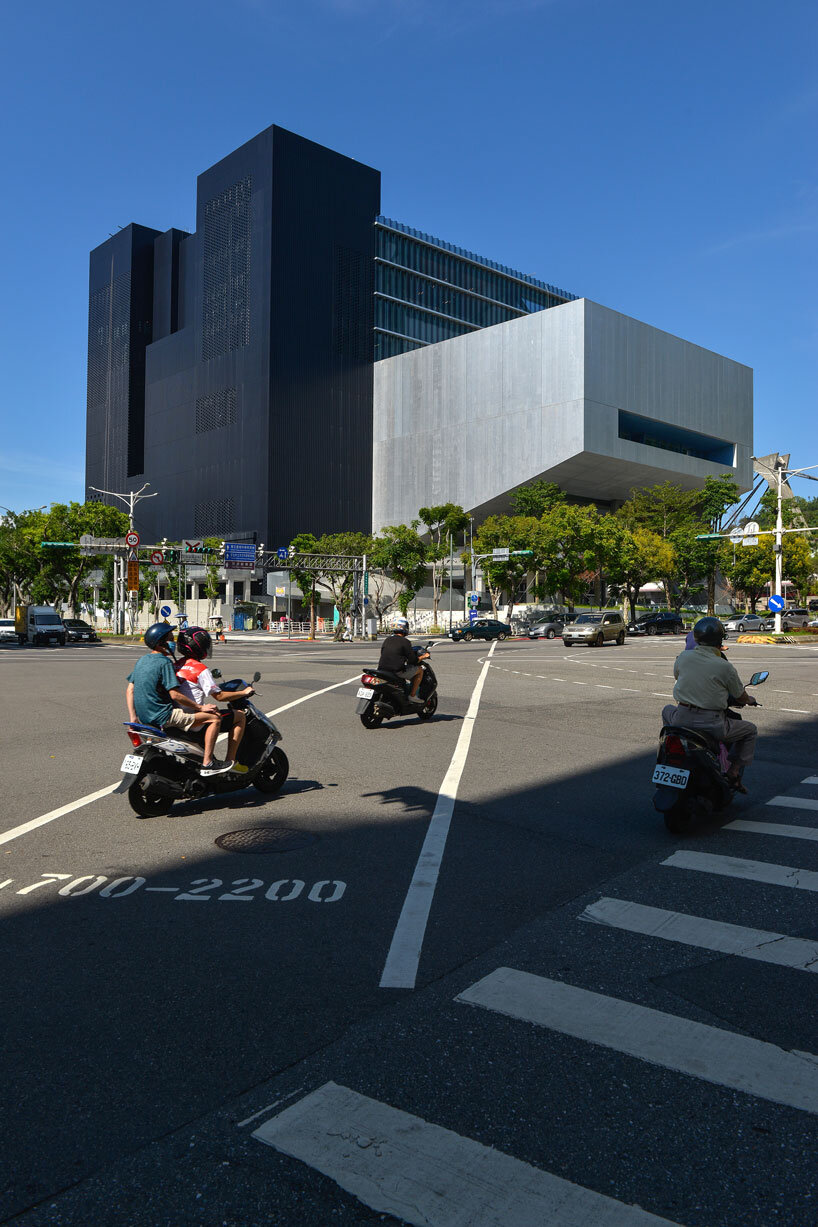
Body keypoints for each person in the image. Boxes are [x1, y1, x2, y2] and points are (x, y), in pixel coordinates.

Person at [662, 616, 758, 793]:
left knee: (666, 710)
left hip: (681, 719)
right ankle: (734, 772)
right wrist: (749, 700)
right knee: (750, 730)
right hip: (712, 723)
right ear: (719, 640)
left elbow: (678, 676)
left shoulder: (684, 657)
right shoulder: (724, 666)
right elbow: (740, 695)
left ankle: (670, 748)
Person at [125, 623, 231, 777]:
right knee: (215, 718)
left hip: (144, 718)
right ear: (161, 643)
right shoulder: (164, 662)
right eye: (169, 639)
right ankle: (208, 763)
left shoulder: (142, 660)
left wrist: (134, 718)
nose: (173, 642)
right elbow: (174, 695)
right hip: (164, 716)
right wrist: (200, 708)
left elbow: (130, 690)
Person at [175, 626, 254, 771]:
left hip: (178, 716)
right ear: (199, 647)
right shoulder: (200, 669)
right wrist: (244, 693)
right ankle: (231, 761)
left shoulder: (176, 665)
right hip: (195, 719)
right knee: (240, 716)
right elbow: (220, 696)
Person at [377, 617, 428, 704]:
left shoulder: (387, 640)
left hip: (382, 669)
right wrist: (423, 657)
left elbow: (383, 653)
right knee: (419, 670)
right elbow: (413, 660)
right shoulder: (405, 642)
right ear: (405, 628)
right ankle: (412, 696)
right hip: (396, 671)